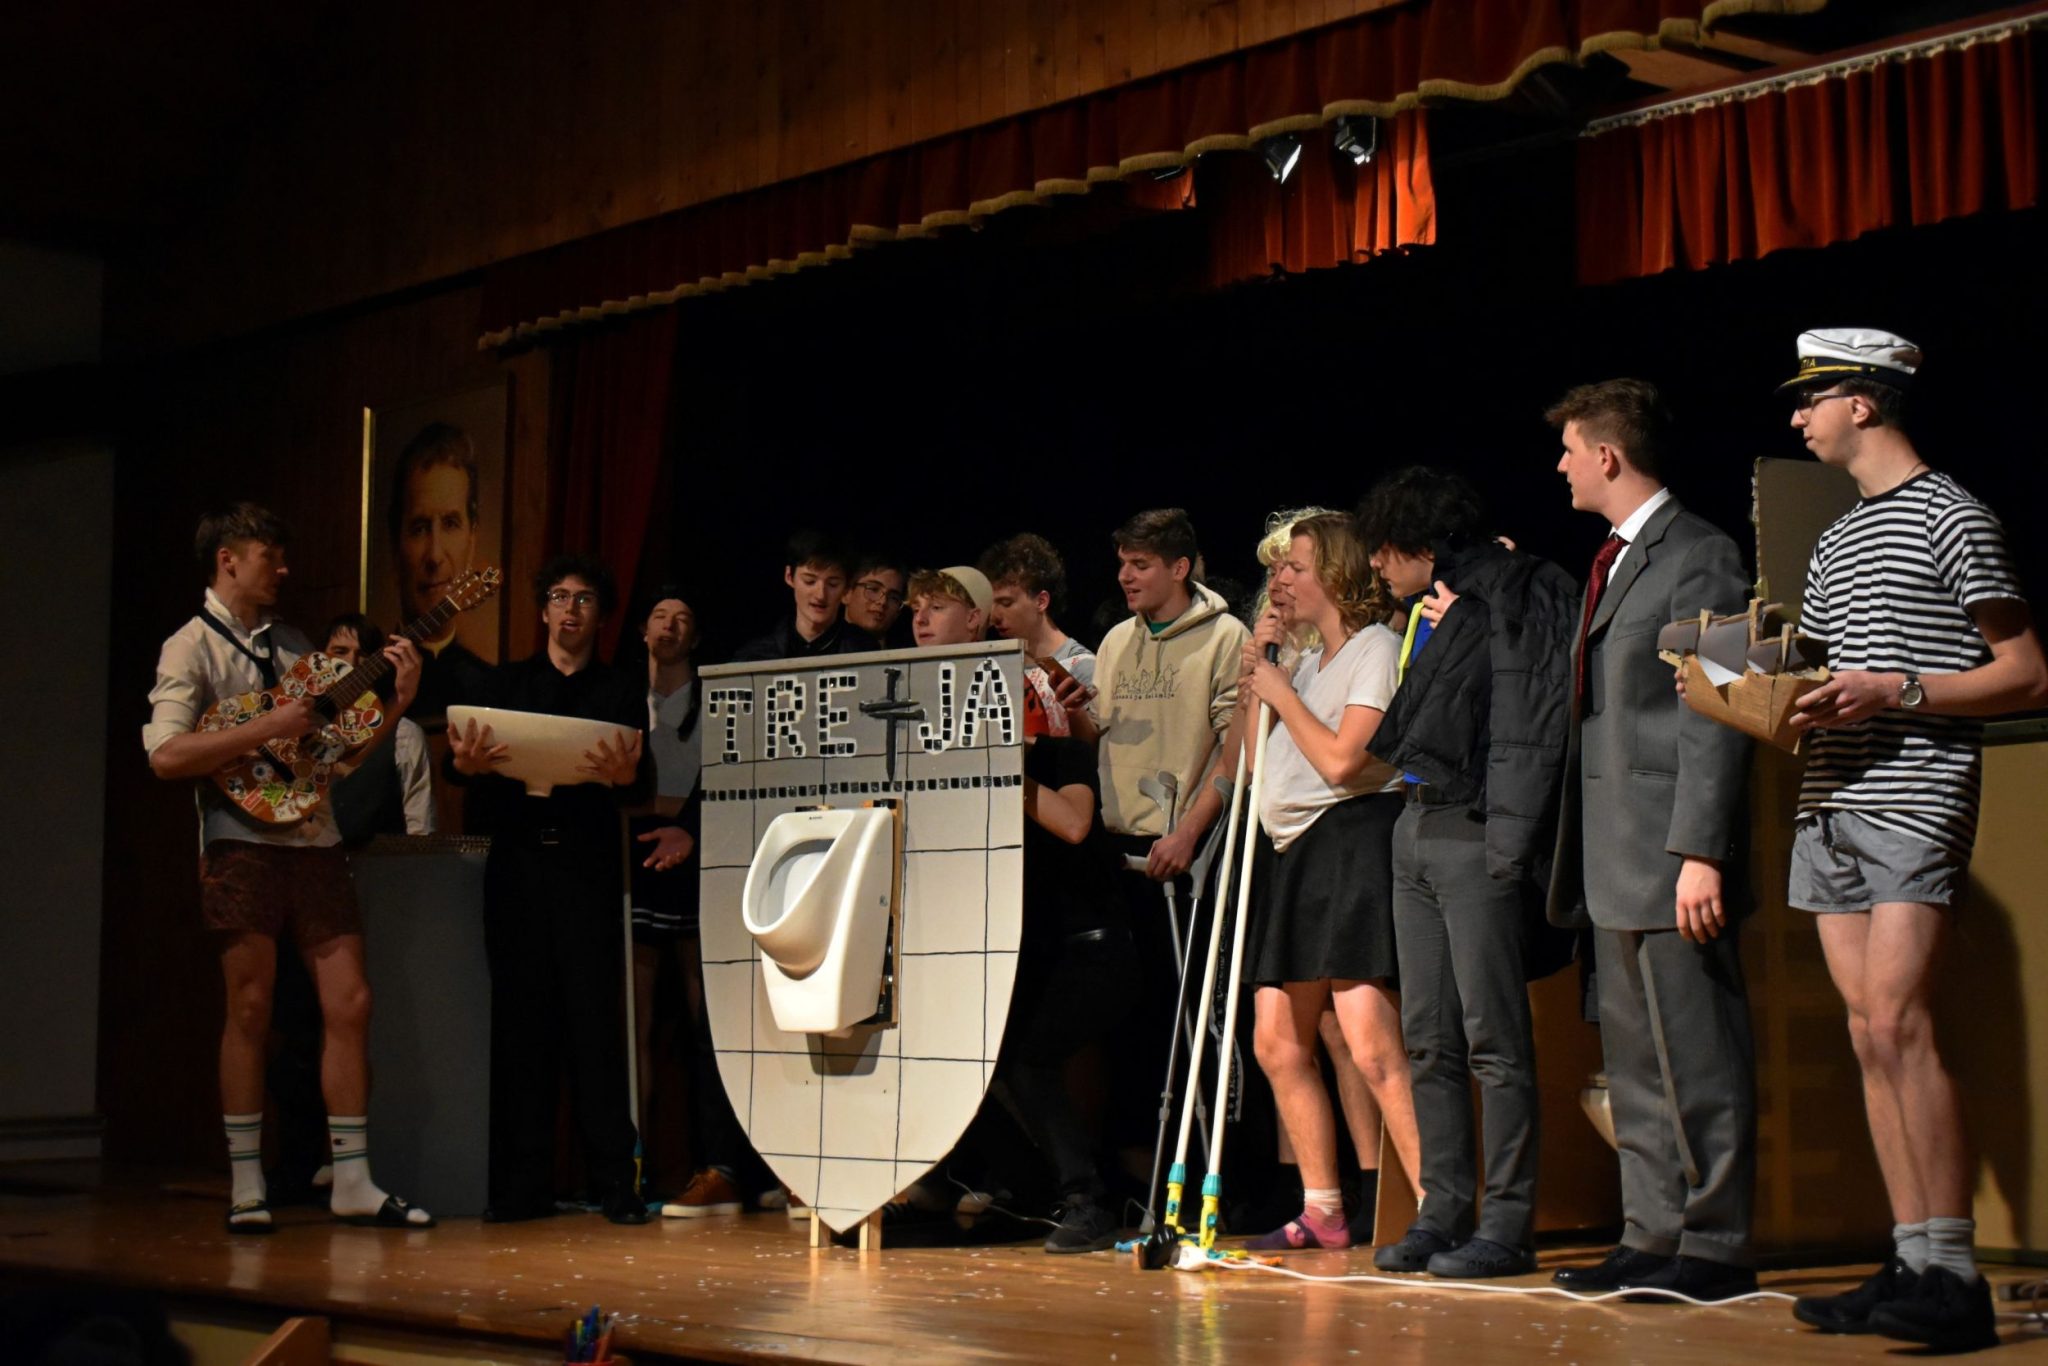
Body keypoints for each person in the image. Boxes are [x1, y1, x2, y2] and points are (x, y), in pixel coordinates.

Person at [1772, 330, 2046, 1351]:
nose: (1796, 416)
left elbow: (2025, 671)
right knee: (1865, 1032)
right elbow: (1836, 670)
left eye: (1810, 398)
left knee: (1898, 1022)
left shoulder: (1951, 514)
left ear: (1863, 402)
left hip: (1914, 792)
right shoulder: (1837, 537)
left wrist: (1899, 689)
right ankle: (1913, 1255)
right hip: (1830, 794)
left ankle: (1953, 1277)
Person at [143, 503, 434, 1232]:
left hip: (316, 839)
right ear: (228, 560)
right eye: (269, 555)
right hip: (240, 842)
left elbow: (335, 759)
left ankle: (353, 1178)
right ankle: (247, 1181)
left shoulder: (297, 645)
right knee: (250, 1006)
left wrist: (397, 703)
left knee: (351, 1000)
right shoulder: (190, 647)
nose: (283, 569)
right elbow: (167, 755)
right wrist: (268, 724)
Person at [1541, 380, 1758, 1301]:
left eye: (1569, 449)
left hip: (1670, 850)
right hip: (1612, 850)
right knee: (1633, 1058)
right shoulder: (1613, 558)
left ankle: (1716, 1240)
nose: (1560, 466)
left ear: (1607, 456)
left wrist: (1701, 850)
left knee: (1698, 1053)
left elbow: (1722, 707)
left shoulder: (1701, 554)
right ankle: (1651, 1228)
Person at [1358, 468, 1577, 1278]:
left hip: (1472, 827)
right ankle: (1441, 1210)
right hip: (1413, 822)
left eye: (1386, 548)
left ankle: (1507, 1223)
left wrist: (1474, 618)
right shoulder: (1426, 611)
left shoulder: (1506, 594)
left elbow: (1537, 693)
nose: (1376, 564)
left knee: (1494, 1037)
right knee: (1428, 1038)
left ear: (1422, 544)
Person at [913, 563, 1132, 1251]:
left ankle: (1086, 1199)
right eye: (915, 608)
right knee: (950, 1059)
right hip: (1012, 935)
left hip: (1087, 939)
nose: (920, 619)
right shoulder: (937, 734)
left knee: (1024, 1061)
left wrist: (998, 767)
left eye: (938, 607)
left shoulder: (1047, 723)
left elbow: (1073, 822)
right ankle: (1030, 1184)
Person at [1231, 512, 1423, 1251]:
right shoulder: (1308, 663)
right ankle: (1323, 1208)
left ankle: (1433, 1206)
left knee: (1371, 1042)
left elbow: (1344, 761)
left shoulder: (1374, 648)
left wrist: (1282, 693)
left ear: (1337, 575)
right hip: (1296, 853)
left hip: (1350, 842)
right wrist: (1262, 677)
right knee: (1277, 1039)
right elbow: (1256, 762)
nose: (1279, 581)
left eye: (1295, 567)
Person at [448, 555, 655, 1226]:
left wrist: (624, 778)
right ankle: (521, 1187)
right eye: (560, 597)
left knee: (595, 1027)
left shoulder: (619, 690)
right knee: (521, 1028)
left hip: (586, 872)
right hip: (517, 870)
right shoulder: (507, 684)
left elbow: (643, 784)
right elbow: (468, 776)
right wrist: (466, 767)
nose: (571, 609)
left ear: (601, 616)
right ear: (543, 611)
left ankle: (614, 1183)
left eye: (584, 599)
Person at [1083, 509, 1250, 1174]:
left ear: (1179, 568)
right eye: (1122, 564)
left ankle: (1212, 1162)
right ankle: (1133, 1165)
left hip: (1180, 853)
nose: (1126, 576)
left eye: (1141, 565)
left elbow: (1235, 749)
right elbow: (1101, 730)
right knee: (1126, 1019)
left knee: (1188, 1017)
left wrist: (1188, 832)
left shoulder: (1226, 637)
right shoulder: (1116, 640)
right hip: (1115, 851)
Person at [387, 422, 491, 717]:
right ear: (395, 543)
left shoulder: (490, 685)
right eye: (419, 528)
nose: (434, 556)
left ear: (472, 538)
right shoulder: (364, 681)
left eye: (450, 524)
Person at [322, 614, 436, 843]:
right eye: (340, 652)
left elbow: (420, 825)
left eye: (363, 654)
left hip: (379, 861)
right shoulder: (302, 725)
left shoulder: (404, 734)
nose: (351, 663)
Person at [732, 531, 878, 661]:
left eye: (832, 584)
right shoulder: (755, 656)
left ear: (846, 588)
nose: (820, 595)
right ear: (789, 576)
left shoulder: (864, 653)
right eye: (809, 581)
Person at [845, 551, 911, 648]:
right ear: (846, 593)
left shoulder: (908, 653)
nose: (883, 602)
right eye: (873, 589)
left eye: (893, 598)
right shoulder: (824, 650)